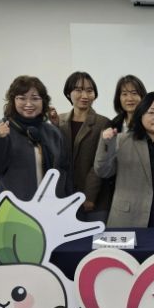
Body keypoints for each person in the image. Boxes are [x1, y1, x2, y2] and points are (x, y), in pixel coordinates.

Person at [94, 92, 154, 227]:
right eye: (151, 112)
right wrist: (107, 142)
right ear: (141, 114)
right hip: (130, 222)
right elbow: (103, 171)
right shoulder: (121, 140)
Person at [0, 75, 69, 200]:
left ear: (43, 101)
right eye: (22, 98)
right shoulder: (0, 129)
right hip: (15, 205)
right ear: (13, 101)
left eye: (35, 98)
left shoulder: (52, 132)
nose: (28, 104)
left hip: (50, 204)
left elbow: (63, 169)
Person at [57, 71, 111, 221]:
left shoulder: (103, 123)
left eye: (89, 90)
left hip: (94, 200)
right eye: (78, 90)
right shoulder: (59, 121)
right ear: (68, 93)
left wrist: (89, 196)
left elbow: (100, 164)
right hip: (63, 198)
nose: (85, 95)